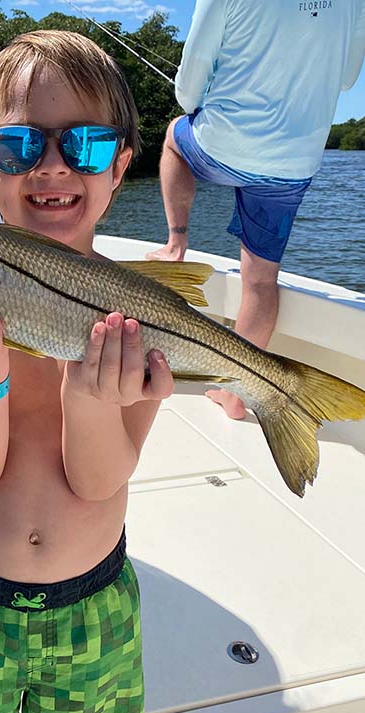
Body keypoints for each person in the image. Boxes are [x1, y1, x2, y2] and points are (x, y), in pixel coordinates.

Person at [0, 30, 174, 713]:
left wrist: (88, 401)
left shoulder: (134, 316)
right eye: (20, 146)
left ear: (119, 166)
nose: (51, 166)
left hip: (93, 611)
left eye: (83, 145)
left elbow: (98, 480)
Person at [148, 0, 365, 419]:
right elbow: (347, 76)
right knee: (262, 282)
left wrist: (195, 106)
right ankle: (235, 397)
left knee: (175, 138)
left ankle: (176, 243)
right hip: (295, 162)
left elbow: (190, 79)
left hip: (223, 146)